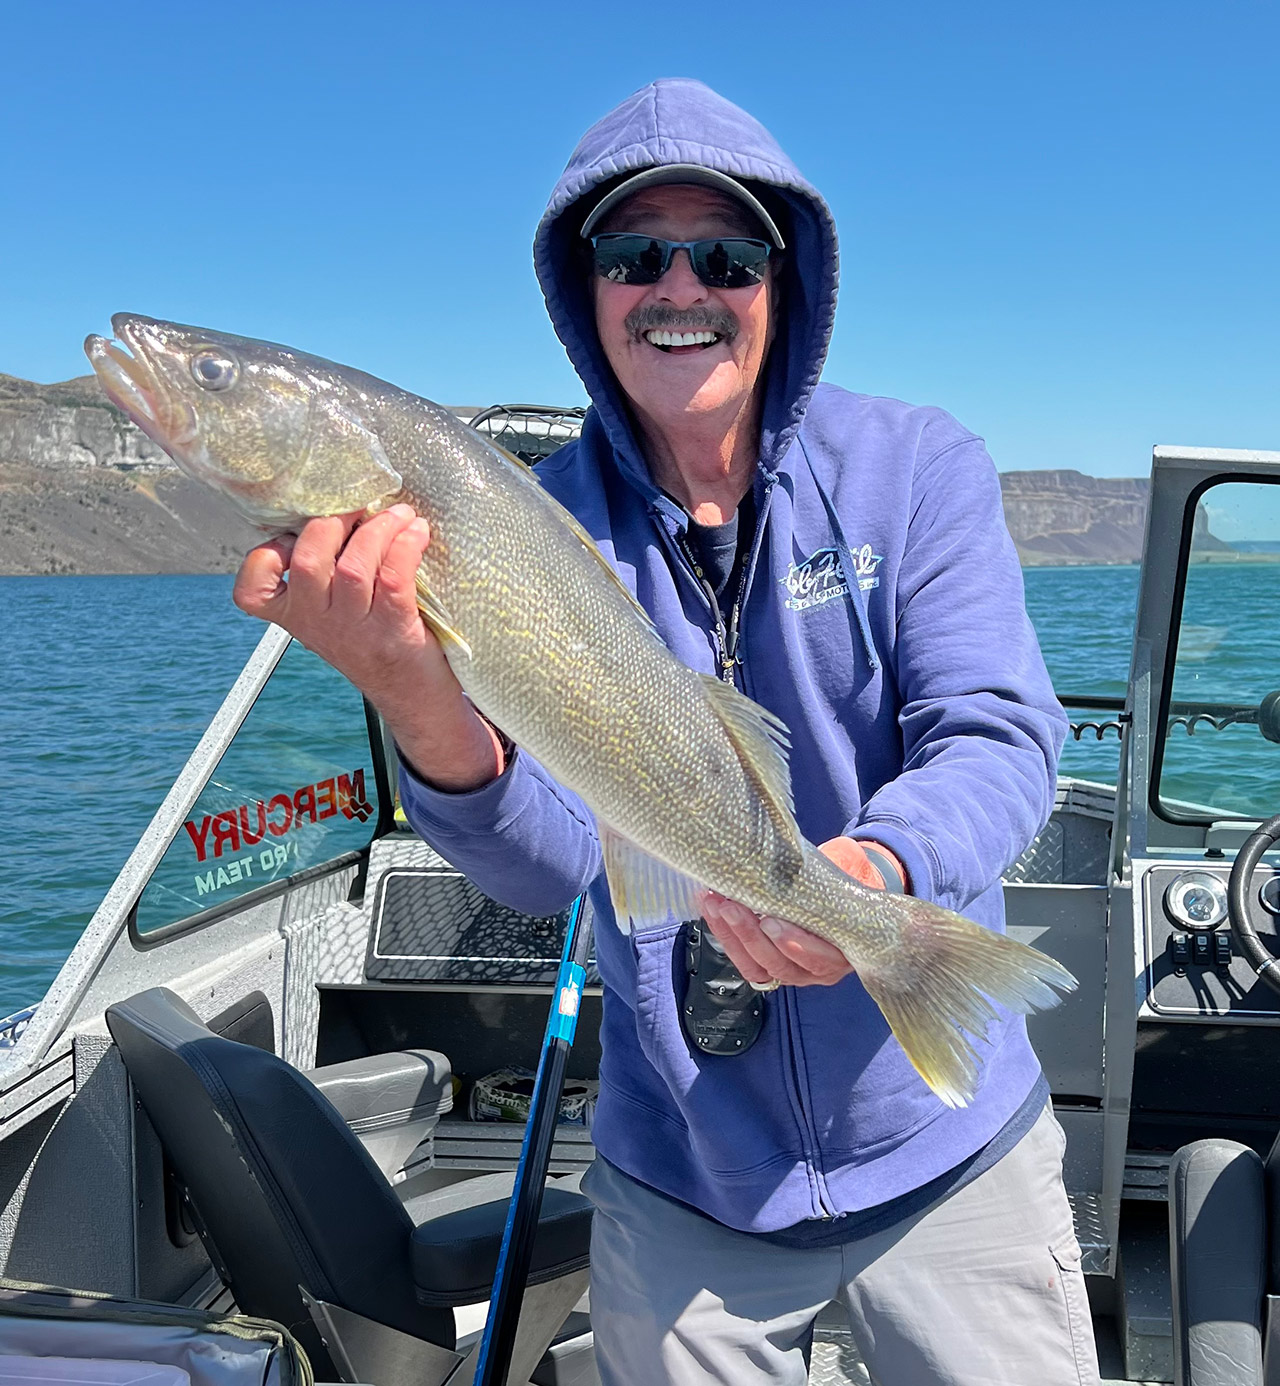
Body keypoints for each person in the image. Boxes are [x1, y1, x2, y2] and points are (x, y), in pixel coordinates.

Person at [234, 79, 1100, 1386]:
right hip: (684, 1173)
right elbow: (548, 867)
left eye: (726, 255)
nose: (679, 285)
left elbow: (1001, 735)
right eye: (636, 255)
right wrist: (412, 689)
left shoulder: (918, 467)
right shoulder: (537, 525)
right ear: (585, 296)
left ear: (782, 279)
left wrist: (874, 881)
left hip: (948, 1148)